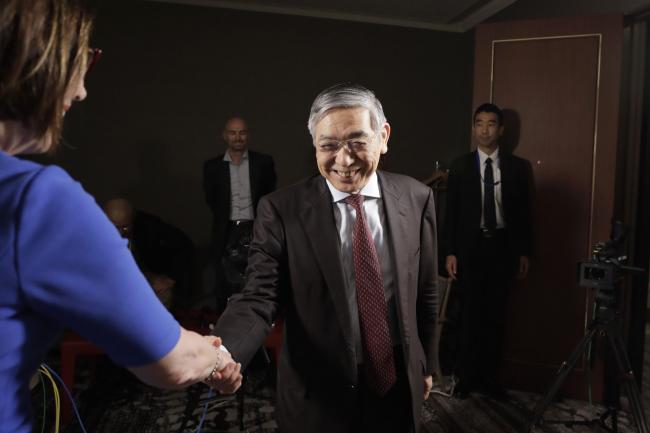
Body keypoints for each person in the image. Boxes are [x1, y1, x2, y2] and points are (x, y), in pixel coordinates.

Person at [0, 2, 241, 432]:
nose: (81, 92)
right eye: (85, 59)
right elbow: (172, 363)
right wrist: (216, 356)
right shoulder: (39, 200)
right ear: (44, 59)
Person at [212, 83, 439, 433]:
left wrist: (426, 366)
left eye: (357, 142)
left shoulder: (416, 196)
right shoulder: (280, 210)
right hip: (319, 393)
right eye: (328, 145)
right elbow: (258, 296)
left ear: (384, 135)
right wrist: (225, 352)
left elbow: (425, 291)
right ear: (314, 145)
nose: (344, 160)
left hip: (397, 382)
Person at [442, 103, 532, 399]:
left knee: (496, 317)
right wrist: (449, 252)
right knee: (468, 316)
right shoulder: (460, 166)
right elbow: (450, 213)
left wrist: (523, 252)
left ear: (501, 129)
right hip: (470, 249)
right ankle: (466, 377)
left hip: (502, 247)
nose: (484, 129)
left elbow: (525, 215)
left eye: (491, 124)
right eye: (479, 123)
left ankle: (491, 379)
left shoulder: (519, 167)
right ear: (473, 128)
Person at [202, 116, 276, 310]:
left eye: (242, 132)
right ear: (225, 136)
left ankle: (257, 318)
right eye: (233, 133)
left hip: (255, 227)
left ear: (248, 135)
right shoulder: (212, 167)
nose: (238, 137)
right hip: (225, 229)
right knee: (224, 280)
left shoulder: (263, 162)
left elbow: (269, 194)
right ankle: (225, 324)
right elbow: (211, 199)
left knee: (257, 276)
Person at [103, 198, 195, 310]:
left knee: (163, 292)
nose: (120, 233)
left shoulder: (149, 227)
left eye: (125, 227)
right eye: (114, 227)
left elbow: (184, 245)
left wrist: (171, 279)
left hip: (141, 275)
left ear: (133, 220)